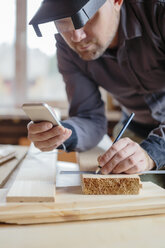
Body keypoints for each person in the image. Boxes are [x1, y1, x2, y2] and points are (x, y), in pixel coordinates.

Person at [27, 0, 165, 175]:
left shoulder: (158, 11)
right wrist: (61, 134)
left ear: (116, 2)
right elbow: (89, 117)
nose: (76, 37)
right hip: (135, 135)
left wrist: (153, 151)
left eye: (86, 17)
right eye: (62, 22)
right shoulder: (67, 48)